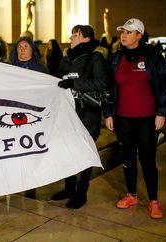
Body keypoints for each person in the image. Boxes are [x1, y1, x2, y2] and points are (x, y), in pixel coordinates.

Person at [103, 18, 166, 219]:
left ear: (139, 35)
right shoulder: (115, 58)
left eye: (129, 32)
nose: (123, 35)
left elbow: (165, 85)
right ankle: (131, 194)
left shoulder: (152, 57)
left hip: (147, 118)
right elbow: (109, 88)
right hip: (123, 118)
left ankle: (153, 201)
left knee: (148, 159)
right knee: (127, 157)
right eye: (122, 32)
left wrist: (161, 112)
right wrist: (108, 113)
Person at [53, 25, 108, 209]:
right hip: (68, 112)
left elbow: (101, 83)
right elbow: (58, 78)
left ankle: (81, 192)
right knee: (67, 150)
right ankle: (68, 188)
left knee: (84, 153)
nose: (70, 37)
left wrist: (74, 82)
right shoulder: (68, 57)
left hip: (87, 114)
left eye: (75, 34)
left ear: (86, 38)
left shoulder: (96, 57)